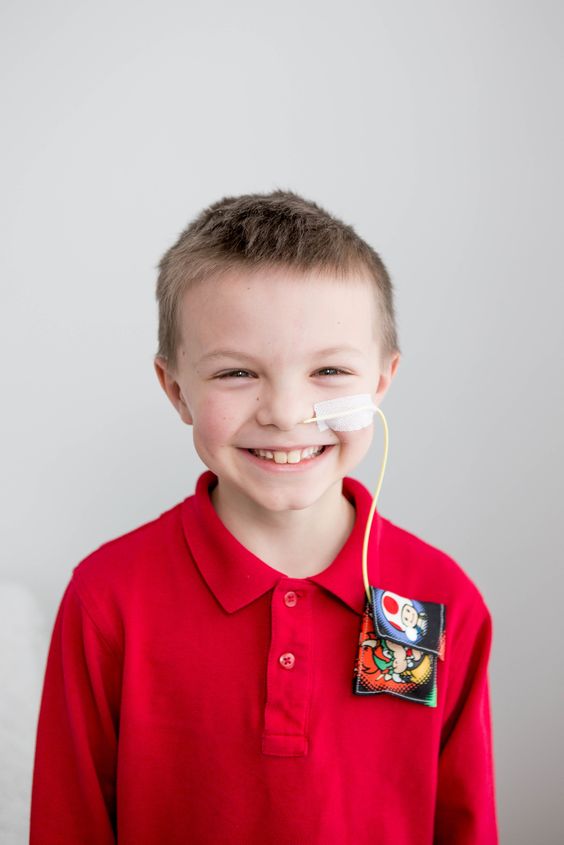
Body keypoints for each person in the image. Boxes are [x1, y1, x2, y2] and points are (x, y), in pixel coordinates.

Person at [30, 190, 498, 843]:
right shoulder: (107, 598)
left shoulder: (445, 597)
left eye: (330, 369)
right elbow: (67, 821)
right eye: (237, 372)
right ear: (175, 389)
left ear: (382, 381)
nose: (285, 411)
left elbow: (465, 821)